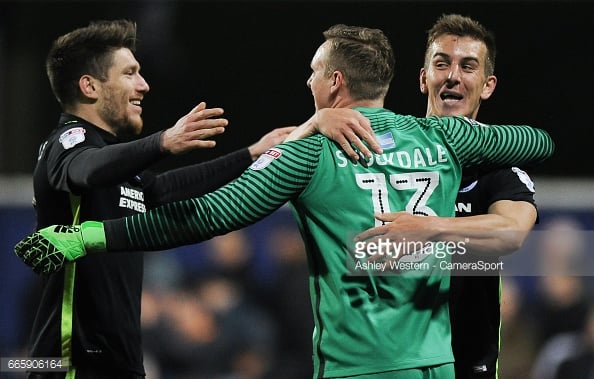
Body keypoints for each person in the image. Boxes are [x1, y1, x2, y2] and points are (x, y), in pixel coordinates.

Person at [15, 24, 555, 378]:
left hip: (362, 366)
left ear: (334, 82)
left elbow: (206, 214)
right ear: (415, 77)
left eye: (315, 71)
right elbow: (537, 145)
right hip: (439, 363)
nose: (307, 79)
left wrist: (86, 235)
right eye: (442, 64)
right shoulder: (445, 140)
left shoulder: (313, 153)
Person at [20, 19, 378, 379]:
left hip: (117, 360)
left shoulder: (115, 163)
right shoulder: (69, 141)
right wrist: (163, 142)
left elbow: (165, 189)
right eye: (130, 73)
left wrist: (252, 154)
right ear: (89, 86)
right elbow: (86, 170)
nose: (143, 85)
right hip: (69, 362)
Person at [353, 14, 540, 378]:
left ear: (487, 86)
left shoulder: (498, 171)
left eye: (468, 66)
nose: (453, 75)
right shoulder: (382, 152)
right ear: (424, 79)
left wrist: (428, 229)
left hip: (464, 362)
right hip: (382, 358)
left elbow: (512, 232)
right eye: (442, 63)